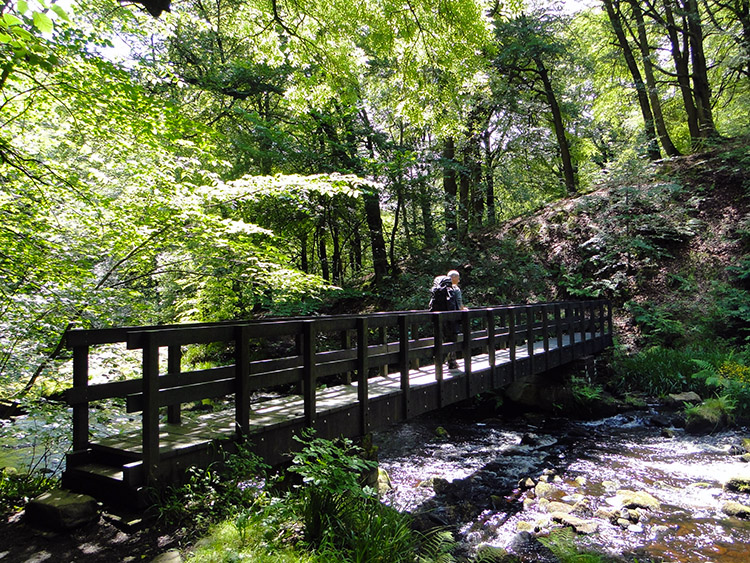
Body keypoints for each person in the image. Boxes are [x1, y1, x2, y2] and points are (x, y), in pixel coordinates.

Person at [445, 269, 467, 369]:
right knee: (453, 338)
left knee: (444, 339)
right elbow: (459, 304)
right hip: (453, 318)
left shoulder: (441, 288)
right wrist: (464, 309)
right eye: (457, 278)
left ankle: (443, 360)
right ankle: (452, 361)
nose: (458, 280)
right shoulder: (455, 289)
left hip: (441, 318)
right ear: (453, 278)